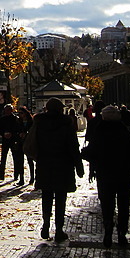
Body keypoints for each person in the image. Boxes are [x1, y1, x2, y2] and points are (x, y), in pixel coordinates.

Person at [81, 105, 130, 248]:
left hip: (105, 174)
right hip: (124, 174)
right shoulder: (124, 133)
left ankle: (108, 229)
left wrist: (93, 163)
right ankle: (122, 232)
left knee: (107, 203)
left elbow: (89, 153)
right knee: (123, 204)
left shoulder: (100, 132)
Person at [32, 97, 84, 242]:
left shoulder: (39, 123)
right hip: (63, 165)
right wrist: (79, 166)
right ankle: (59, 229)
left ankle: (46, 224)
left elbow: (33, 143)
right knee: (61, 198)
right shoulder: (66, 124)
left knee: (46, 196)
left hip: (45, 165)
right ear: (60, 109)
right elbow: (74, 146)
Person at [0, 104, 23, 181]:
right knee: (3, 158)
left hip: (13, 140)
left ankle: (16, 175)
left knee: (15, 158)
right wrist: (3, 134)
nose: (7, 111)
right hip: (5, 140)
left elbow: (18, 129)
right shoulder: (3, 119)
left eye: (9, 110)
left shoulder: (16, 119)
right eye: (6, 110)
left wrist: (12, 134)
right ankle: (1, 174)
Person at [18, 106, 35, 184]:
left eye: (21, 113)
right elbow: (16, 129)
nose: (20, 115)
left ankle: (32, 178)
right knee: (20, 161)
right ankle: (21, 179)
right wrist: (19, 134)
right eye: (19, 113)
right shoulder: (18, 121)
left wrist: (26, 134)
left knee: (30, 161)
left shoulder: (31, 121)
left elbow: (32, 131)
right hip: (20, 142)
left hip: (29, 143)